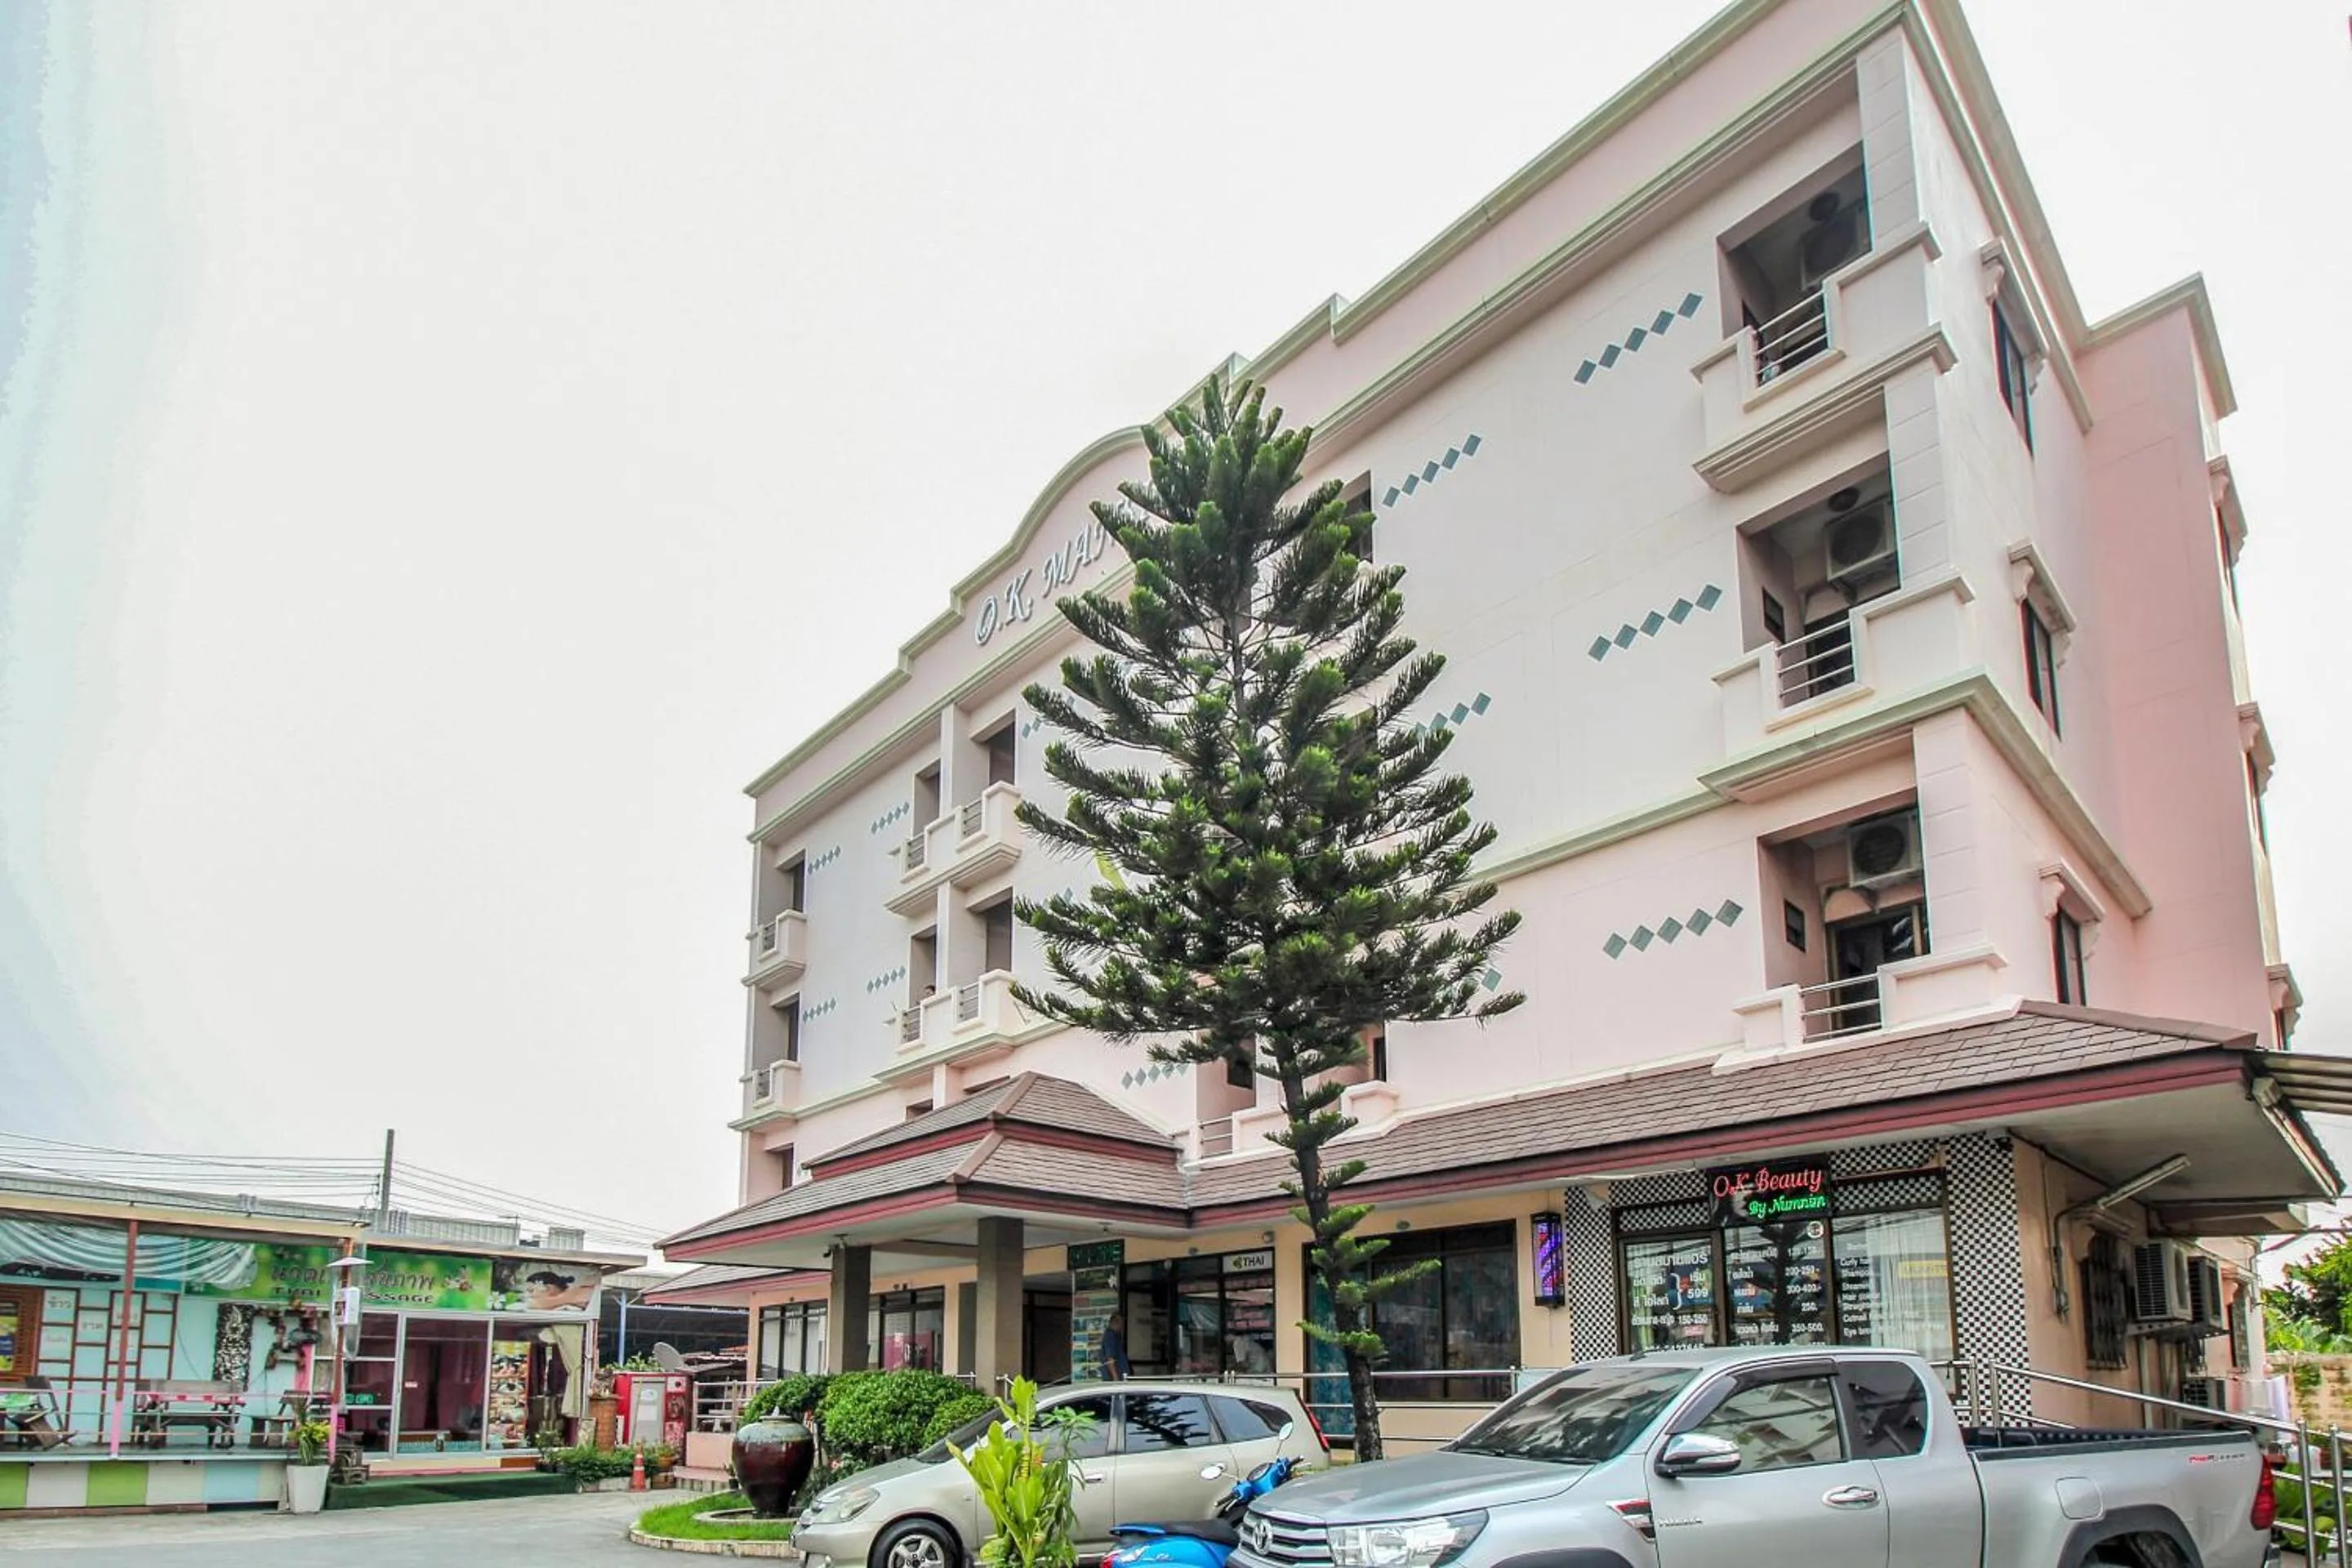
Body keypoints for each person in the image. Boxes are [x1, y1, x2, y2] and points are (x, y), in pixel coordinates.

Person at [1099, 1312, 1129, 1380]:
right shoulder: (1110, 1336)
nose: (1122, 1327)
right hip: (1114, 1379)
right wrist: (1116, 1379)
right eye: (1121, 1324)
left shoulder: (1116, 1336)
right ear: (1116, 1323)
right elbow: (1110, 1360)